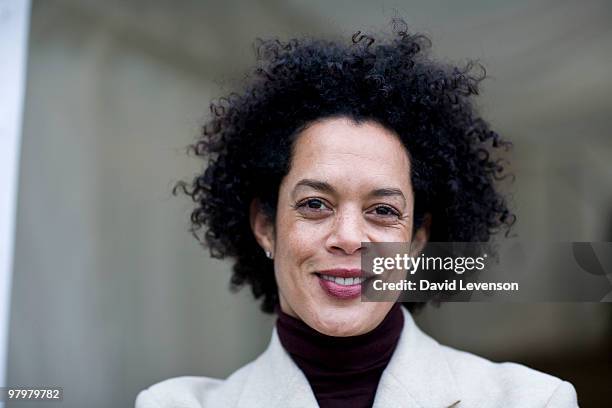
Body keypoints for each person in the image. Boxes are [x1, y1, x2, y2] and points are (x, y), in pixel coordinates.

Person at [135, 20, 579, 408]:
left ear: (418, 240)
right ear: (266, 227)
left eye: (383, 210)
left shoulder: (530, 400)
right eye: (315, 204)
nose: (349, 237)